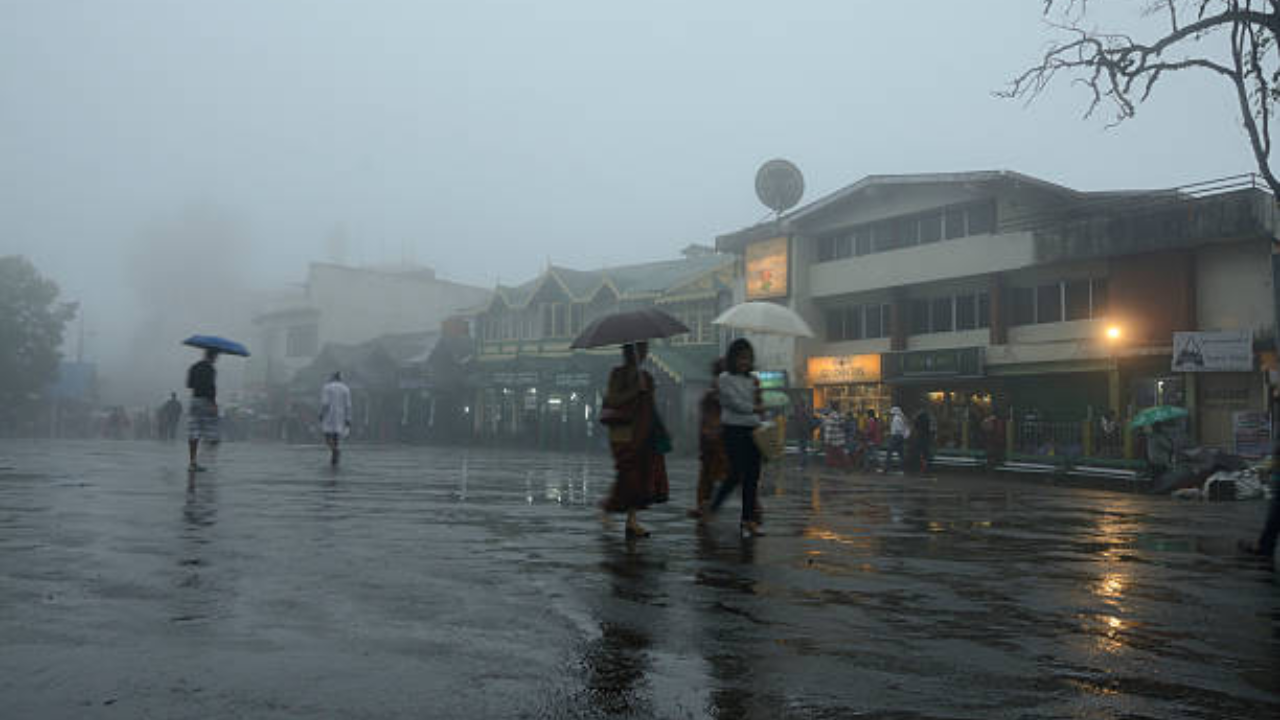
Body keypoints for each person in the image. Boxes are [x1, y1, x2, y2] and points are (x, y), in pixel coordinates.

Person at [599, 341, 668, 537]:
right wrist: (634, 390)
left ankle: (632, 521)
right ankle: (607, 507)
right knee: (627, 473)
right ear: (629, 352)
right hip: (622, 431)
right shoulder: (617, 374)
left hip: (643, 430)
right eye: (640, 350)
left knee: (641, 476)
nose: (644, 353)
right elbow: (612, 400)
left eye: (645, 350)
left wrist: (660, 429)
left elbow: (651, 407)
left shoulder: (646, 377)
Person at [708, 338, 765, 537]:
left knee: (752, 477)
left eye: (748, 358)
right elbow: (733, 403)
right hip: (733, 430)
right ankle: (713, 507)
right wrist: (754, 408)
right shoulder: (724, 379)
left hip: (753, 431)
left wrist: (759, 400)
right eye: (741, 358)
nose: (744, 362)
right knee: (735, 474)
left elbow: (756, 404)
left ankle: (748, 521)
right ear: (733, 359)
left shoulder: (752, 380)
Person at [689, 358, 729, 520]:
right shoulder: (711, 395)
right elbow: (707, 419)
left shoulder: (726, 392)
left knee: (734, 476)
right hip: (713, 443)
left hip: (725, 442)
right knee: (708, 476)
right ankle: (703, 506)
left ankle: (753, 514)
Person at [186, 349, 219, 472]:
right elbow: (211, 387)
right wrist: (213, 403)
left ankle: (193, 462)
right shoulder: (211, 369)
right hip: (206, 401)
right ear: (213, 357)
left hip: (195, 400)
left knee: (194, 431)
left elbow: (189, 384)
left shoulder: (194, 367)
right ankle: (204, 453)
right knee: (212, 431)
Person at [321, 371, 353, 466]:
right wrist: (348, 418)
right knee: (336, 436)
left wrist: (322, 414)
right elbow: (348, 405)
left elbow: (325, 403)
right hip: (341, 415)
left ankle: (334, 450)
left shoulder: (327, 387)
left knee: (327, 435)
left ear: (332, 377)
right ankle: (334, 454)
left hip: (329, 415)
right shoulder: (345, 388)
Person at [883, 406, 908, 473]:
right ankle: (904, 468)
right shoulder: (902, 418)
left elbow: (896, 429)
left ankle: (886, 468)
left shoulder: (896, 419)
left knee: (889, 452)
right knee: (901, 454)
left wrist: (890, 434)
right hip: (901, 437)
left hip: (895, 437)